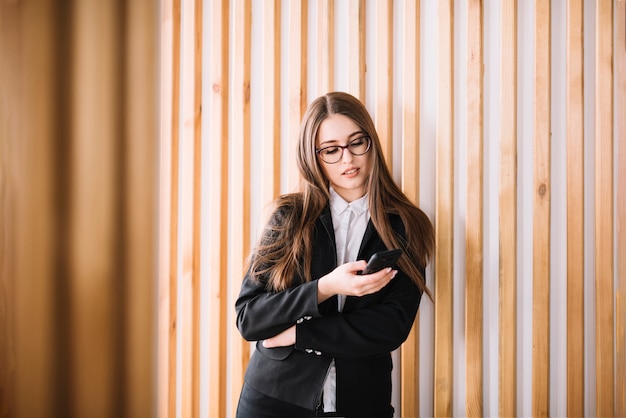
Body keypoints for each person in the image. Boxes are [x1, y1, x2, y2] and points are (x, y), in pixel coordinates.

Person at [235, 92, 434, 418]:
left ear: (372, 142)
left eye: (357, 142)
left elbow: (390, 327)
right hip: (272, 401)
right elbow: (250, 317)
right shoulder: (289, 217)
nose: (348, 159)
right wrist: (324, 287)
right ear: (312, 155)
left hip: (360, 403)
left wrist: (300, 334)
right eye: (331, 150)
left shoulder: (406, 225)